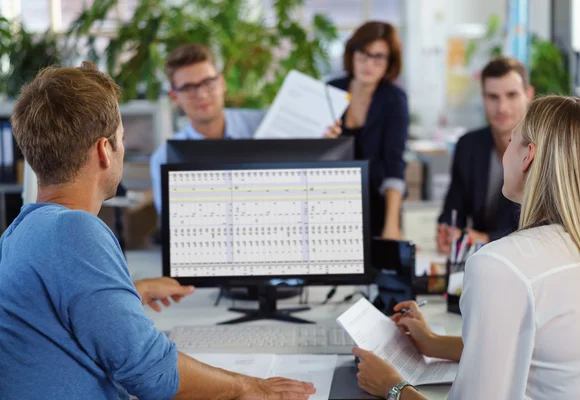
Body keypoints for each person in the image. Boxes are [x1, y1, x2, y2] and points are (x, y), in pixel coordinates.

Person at [0, 62, 315, 400]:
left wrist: (127, 294)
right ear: (105, 151)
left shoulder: (20, 230)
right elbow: (152, 373)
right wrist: (250, 387)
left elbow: (61, 316)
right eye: (121, 139)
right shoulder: (74, 231)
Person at [352, 95, 580, 399]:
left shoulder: (502, 264)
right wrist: (432, 342)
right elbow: (541, 349)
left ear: (527, 157)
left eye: (512, 141)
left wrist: (393, 386)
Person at [150, 43, 341, 215]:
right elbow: (173, 225)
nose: (201, 94)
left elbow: (301, 176)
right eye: (188, 88)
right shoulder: (164, 157)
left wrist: (322, 143)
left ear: (222, 83)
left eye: (208, 82)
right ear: (175, 97)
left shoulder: (263, 123)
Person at [437, 57, 533, 253]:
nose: (502, 108)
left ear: (528, 95)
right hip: (478, 262)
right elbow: (453, 208)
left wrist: (487, 239)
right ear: (483, 98)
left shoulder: (545, 151)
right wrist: (448, 230)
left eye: (512, 95)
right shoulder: (469, 145)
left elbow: (547, 227)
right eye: (493, 97)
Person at [328, 21, 409, 240]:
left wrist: (391, 226)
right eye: (363, 53)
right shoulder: (331, 90)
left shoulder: (393, 99)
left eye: (378, 57)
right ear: (351, 53)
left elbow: (394, 165)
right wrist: (323, 142)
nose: (368, 63)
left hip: (376, 207)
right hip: (331, 206)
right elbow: (311, 153)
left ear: (389, 63)